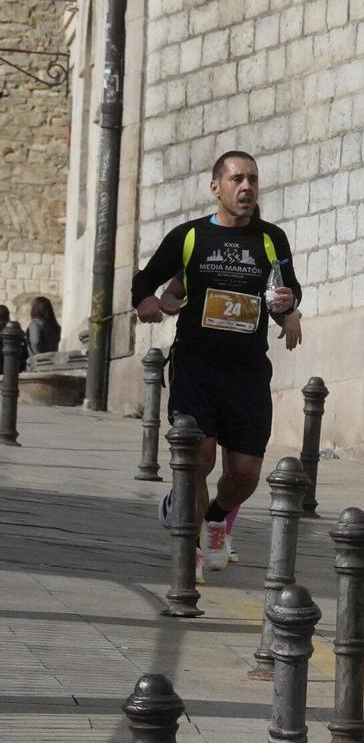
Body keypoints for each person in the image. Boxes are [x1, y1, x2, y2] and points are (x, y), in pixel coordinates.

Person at [132, 151, 303, 582]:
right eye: (237, 179)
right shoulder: (190, 236)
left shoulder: (271, 239)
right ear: (216, 187)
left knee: (244, 474)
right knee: (199, 460)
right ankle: (189, 551)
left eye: (253, 180)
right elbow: (145, 279)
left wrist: (288, 306)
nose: (246, 187)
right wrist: (146, 301)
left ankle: (215, 516)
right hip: (196, 367)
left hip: (247, 372)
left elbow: (286, 289)